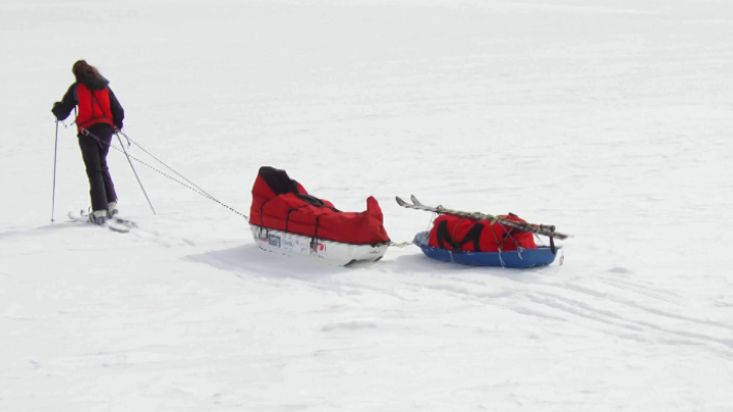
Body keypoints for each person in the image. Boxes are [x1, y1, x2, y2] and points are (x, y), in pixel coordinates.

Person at [52, 60, 125, 224]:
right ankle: (111, 203)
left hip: (87, 132)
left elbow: (63, 111)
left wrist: (56, 109)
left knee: (94, 170)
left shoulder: (76, 88)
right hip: (106, 131)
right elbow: (118, 109)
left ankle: (99, 210)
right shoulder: (104, 85)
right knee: (102, 164)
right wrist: (117, 126)